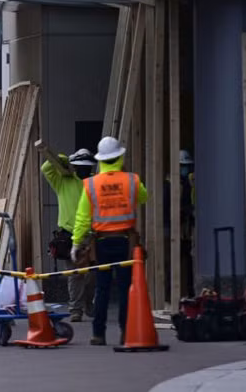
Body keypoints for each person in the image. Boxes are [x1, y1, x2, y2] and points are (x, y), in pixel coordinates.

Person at [71, 136, 147, 346]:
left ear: (100, 159)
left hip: (101, 243)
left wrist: (76, 243)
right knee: (125, 289)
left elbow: (83, 217)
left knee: (102, 288)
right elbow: (143, 197)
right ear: (120, 156)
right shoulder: (132, 180)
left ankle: (98, 334)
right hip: (126, 242)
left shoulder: (91, 184)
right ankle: (125, 332)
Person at [41, 148, 97, 322]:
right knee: (74, 275)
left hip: (91, 235)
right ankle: (76, 309)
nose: (83, 171)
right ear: (74, 167)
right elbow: (46, 168)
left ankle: (88, 302)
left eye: (86, 169)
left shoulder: (95, 183)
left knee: (92, 274)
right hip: (69, 236)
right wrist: (63, 158)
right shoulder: (63, 182)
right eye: (80, 168)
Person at [163, 150, 196, 299]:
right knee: (170, 262)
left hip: (186, 229)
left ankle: (188, 291)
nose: (185, 169)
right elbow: (165, 207)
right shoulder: (168, 186)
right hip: (170, 228)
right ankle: (170, 294)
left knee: (187, 261)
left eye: (187, 166)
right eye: (182, 166)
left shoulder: (189, 184)